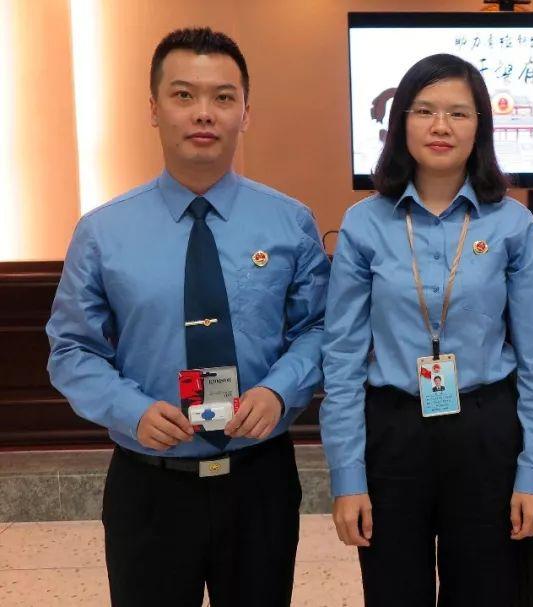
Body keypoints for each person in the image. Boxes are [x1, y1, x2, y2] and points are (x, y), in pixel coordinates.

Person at [45, 27, 329, 607]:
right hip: (150, 482)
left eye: (223, 97)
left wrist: (279, 391)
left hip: (259, 480)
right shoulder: (102, 232)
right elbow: (71, 349)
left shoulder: (290, 223)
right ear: (154, 109)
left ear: (245, 112)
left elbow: (320, 329)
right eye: (183, 95)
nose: (204, 113)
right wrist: (128, 409)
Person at [319, 53, 533, 607]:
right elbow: (343, 358)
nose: (441, 126)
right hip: (392, 431)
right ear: (401, 121)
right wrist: (347, 476)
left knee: (486, 592)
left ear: (481, 127)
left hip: (485, 429)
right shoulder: (365, 223)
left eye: (459, 113)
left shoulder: (512, 223)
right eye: (425, 110)